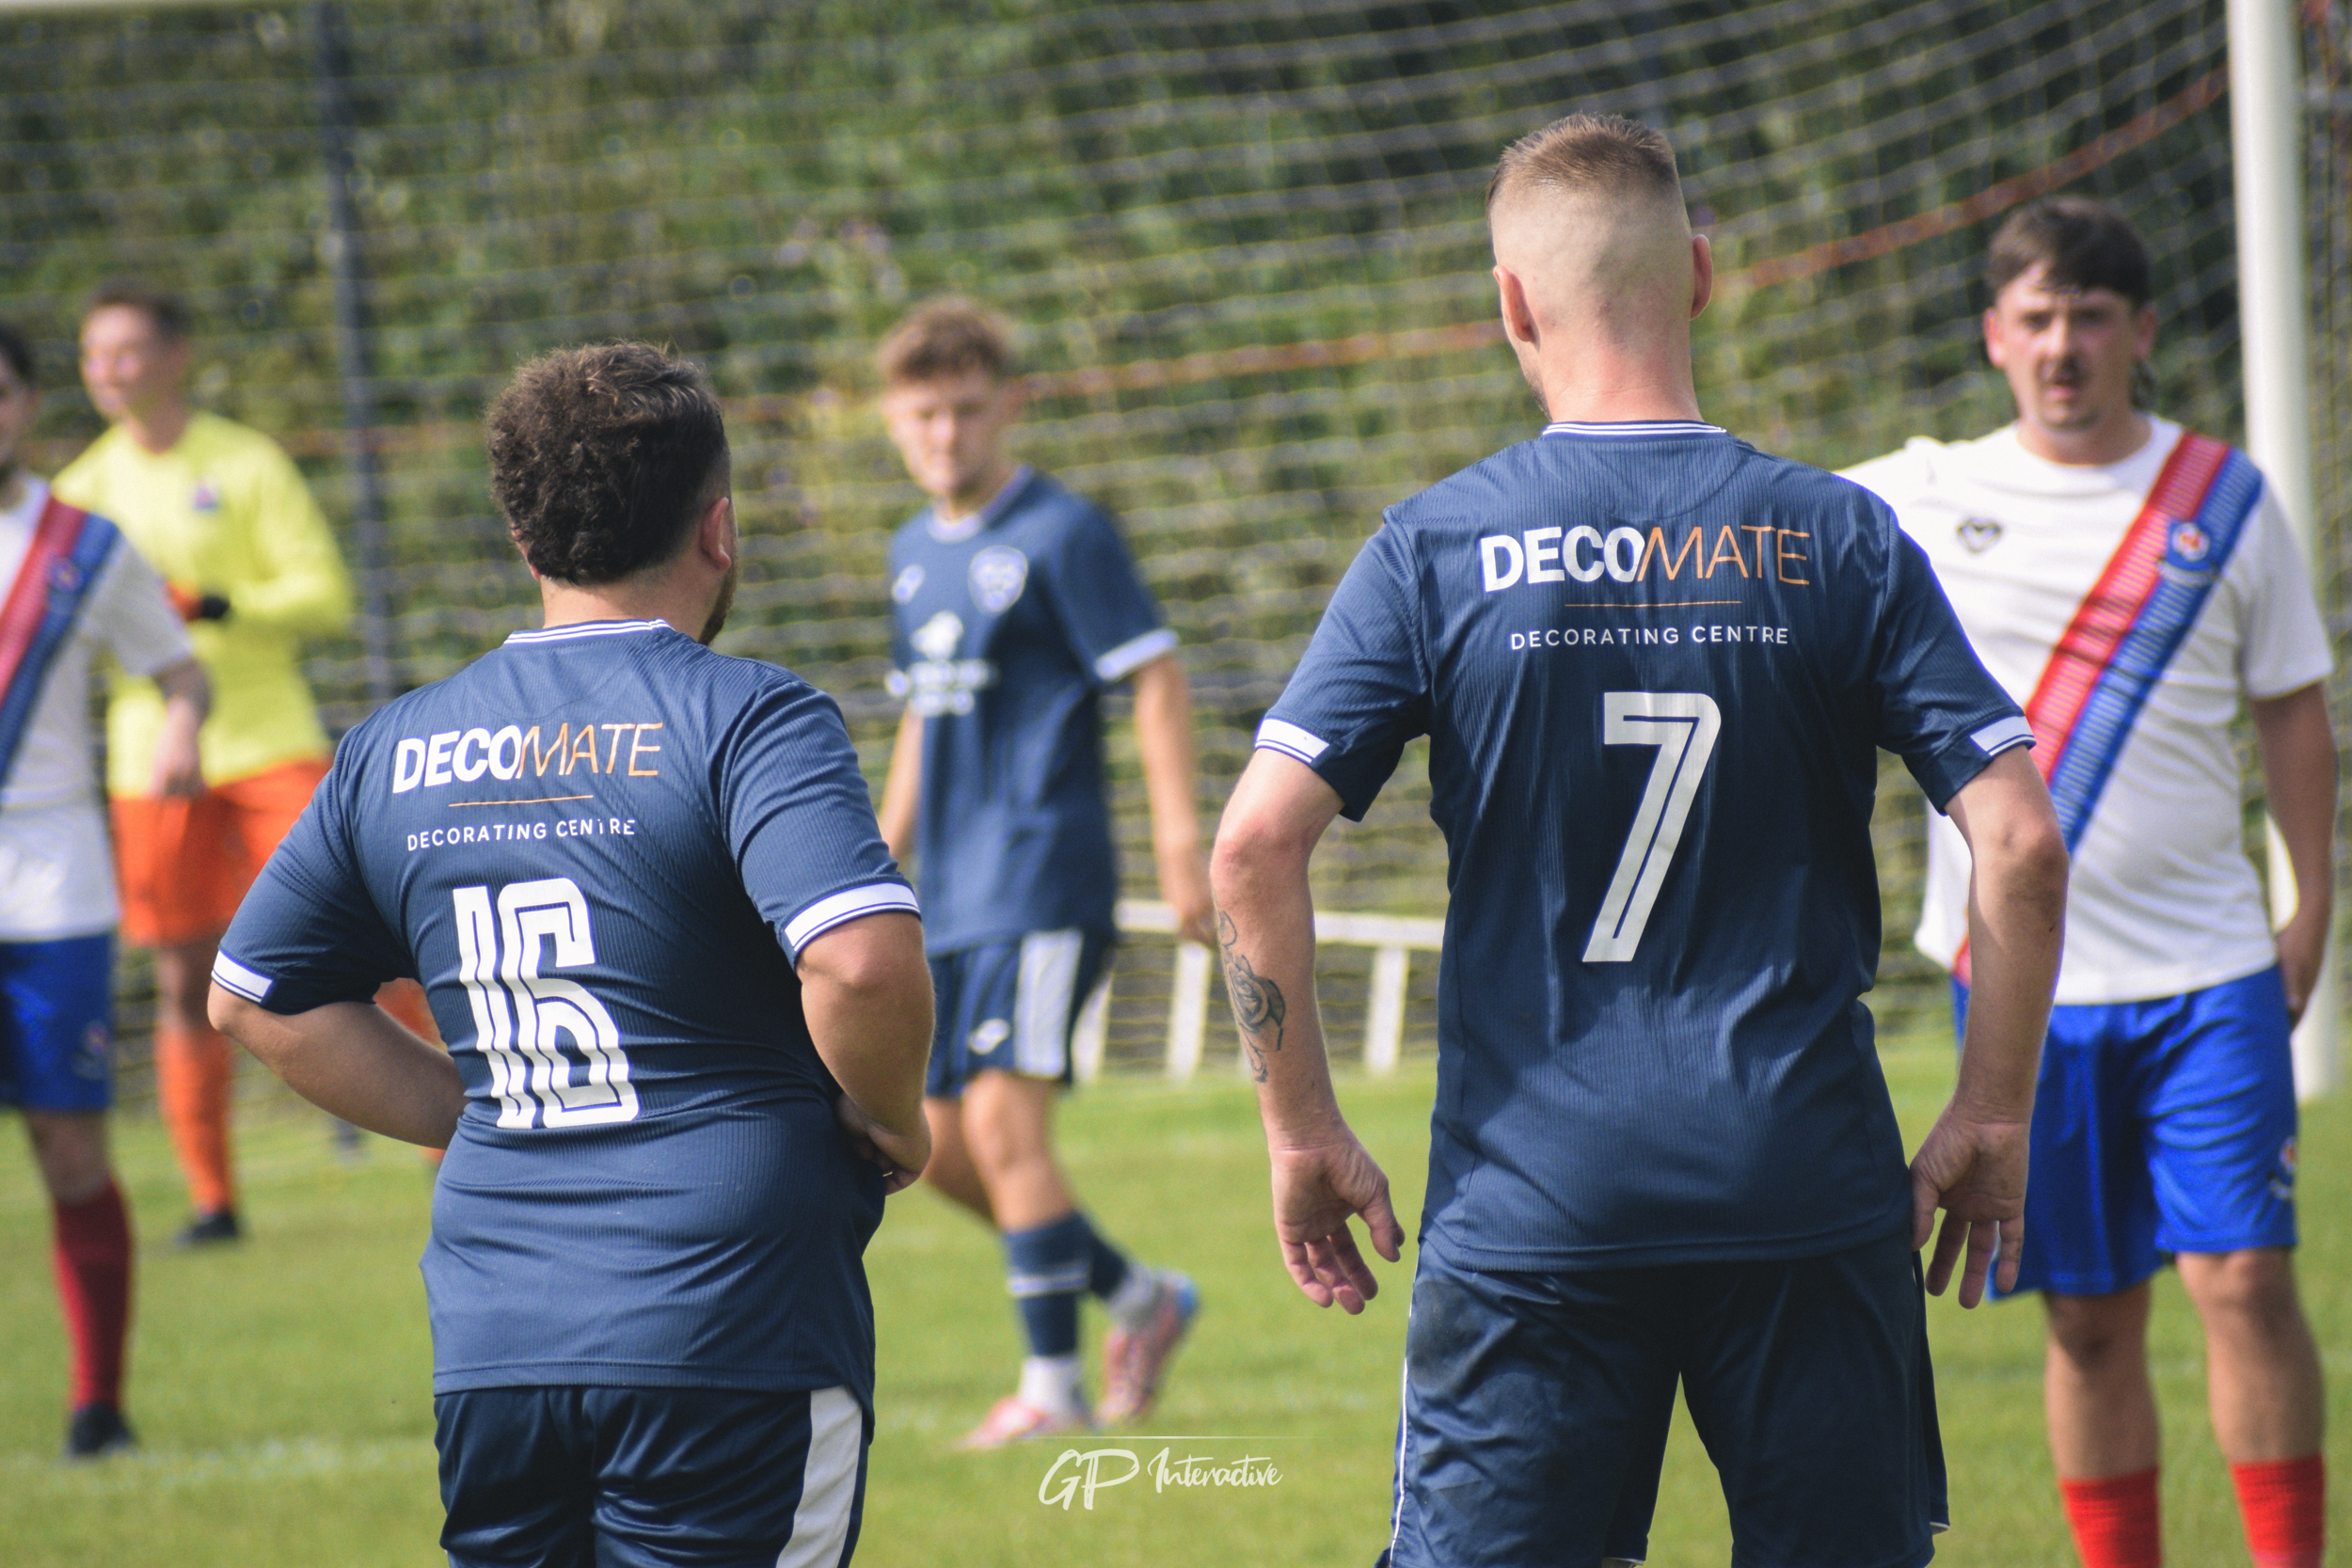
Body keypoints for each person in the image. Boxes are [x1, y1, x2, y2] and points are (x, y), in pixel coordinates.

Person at [1209, 114, 2073, 1568]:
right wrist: (1993, 1109)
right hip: (1801, 1179)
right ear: (1705, 276)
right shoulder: (1840, 537)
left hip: (1535, 1197)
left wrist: (1299, 1125)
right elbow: (2025, 844)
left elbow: (1250, 850)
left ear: (1509, 303)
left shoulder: (1435, 544)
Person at [207, 343, 933, 1564]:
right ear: (721, 528)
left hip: (498, 1332)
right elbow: (859, 963)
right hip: (728, 1317)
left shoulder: (397, 745)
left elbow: (256, 998)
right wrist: (895, 1113)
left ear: (524, 537)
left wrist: (484, 1108)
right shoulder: (746, 712)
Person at [1842, 197, 2330, 1568]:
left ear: (2142, 332)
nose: (2065, 346)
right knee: (2088, 1314)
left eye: (2093, 317)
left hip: (2210, 974)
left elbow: (2293, 708)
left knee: (2244, 1280)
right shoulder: (1915, 493)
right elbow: (1757, 522)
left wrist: (2311, 906)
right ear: (1996, 335)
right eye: (2039, 318)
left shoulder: (2224, 497)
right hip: (2023, 995)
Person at [874, 299, 1204, 1445]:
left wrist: (1177, 840)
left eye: (968, 410)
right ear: (892, 421)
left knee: (1010, 1135)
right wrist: (877, 857)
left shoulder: (1062, 532)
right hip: (951, 894)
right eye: (924, 414)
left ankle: (1052, 1391)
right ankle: (1138, 1296)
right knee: (930, 1141)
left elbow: (1154, 675)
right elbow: (922, 715)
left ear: (1009, 406)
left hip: (1043, 876)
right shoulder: (910, 557)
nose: (947, 434)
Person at [54, 280, 354, 1245]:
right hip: (154, 760)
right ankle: (212, 1198)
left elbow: (327, 596)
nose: (111, 372)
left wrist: (221, 605)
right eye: (96, 356)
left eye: (130, 350)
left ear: (176, 354)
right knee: (186, 978)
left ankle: (457, 1151)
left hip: (270, 741)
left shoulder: (245, 460)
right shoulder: (81, 493)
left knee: (367, 943)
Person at [0, 321, 208, 1459]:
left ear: (27, 404)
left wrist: (182, 722)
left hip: (52, 890)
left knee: (71, 1152)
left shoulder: (83, 544)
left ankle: (99, 1403)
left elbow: (181, 669)